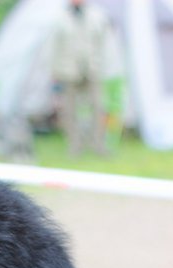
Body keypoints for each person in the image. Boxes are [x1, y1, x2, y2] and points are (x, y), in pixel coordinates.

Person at [51, 0, 110, 155]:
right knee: (69, 111)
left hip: (92, 68)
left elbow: (104, 43)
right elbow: (53, 47)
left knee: (98, 107)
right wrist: (55, 72)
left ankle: (98, 144)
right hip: (68, 70)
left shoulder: (97, 15)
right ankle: (74, 145)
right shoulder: (59, 17)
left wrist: (103, 65)